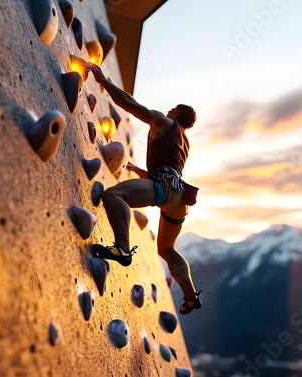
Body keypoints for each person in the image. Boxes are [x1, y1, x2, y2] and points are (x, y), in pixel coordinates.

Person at [86, 63, 202, 315]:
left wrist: (103, 80)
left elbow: (129, 103)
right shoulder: (185, 142)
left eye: (174, 108)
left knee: (114, 195)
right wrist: (140, 172)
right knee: (166, 249)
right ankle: (191, 296)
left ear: (176, 112)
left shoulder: (163, 121)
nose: (169, 108)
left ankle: (122, 248)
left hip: (161, 186)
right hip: (179, 196)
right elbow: (169, 167)